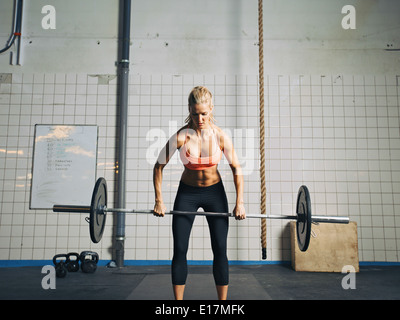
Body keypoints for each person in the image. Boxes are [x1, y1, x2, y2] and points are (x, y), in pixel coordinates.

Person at [153, 86, 246, 300]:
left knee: (220, 248)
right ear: (189, 109)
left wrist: (240, 202)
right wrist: (159, 200)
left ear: (211, 109)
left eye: (204, 113)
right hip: (188, 194)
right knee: (180, 248)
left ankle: (222, 303)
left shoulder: (221, 136)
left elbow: (237, 169)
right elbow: (158, 167)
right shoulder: (181, 137)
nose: (200, 118)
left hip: (215, 194)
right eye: (195, 113)